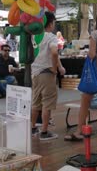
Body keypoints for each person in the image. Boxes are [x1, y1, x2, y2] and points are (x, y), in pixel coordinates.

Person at [64, 10, 97, 141]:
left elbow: (92, 54)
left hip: (96, 73)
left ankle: (79, 131)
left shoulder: (95, 34)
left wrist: (88, 54)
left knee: (85, 102)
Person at [31, 11, 65, 141]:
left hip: (35, 73)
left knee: (36, 102)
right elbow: (54, 53)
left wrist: (59, 66)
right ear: (50, 23)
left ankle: (33, 128)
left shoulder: (35, 36)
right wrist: (54, 68)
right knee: (47, 103)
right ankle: (44, 132)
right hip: (46, 73)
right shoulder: (51, 37)